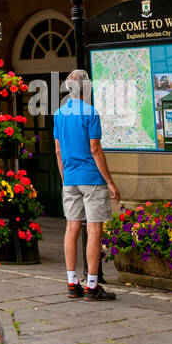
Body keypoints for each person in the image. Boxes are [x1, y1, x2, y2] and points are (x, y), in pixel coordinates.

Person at [53, 69, 120, 301]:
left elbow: (58, 150)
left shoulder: (59, 114)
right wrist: (110, 182)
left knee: (71, 229)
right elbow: (95, 149)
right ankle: (92, 285)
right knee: (93, 230)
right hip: (91, 178)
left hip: (70, 178)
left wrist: (65, 179)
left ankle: (72, 282)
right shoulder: (91, 113)